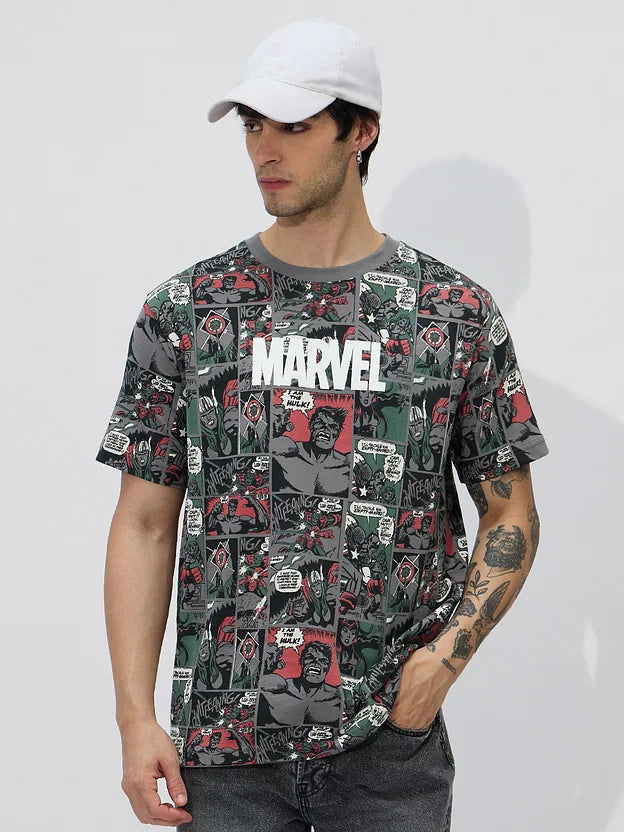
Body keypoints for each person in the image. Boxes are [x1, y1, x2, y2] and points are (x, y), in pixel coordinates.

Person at [95, 17, 550, 832]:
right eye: (253, 124)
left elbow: (510, 511)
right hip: (224, 754)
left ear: (361, 131)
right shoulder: (189, 310)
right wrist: (135, 720)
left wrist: (442, 664)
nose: (264, 150)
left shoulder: (452, 314)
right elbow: (142, 524)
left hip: (388, 751)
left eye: (294, 126)